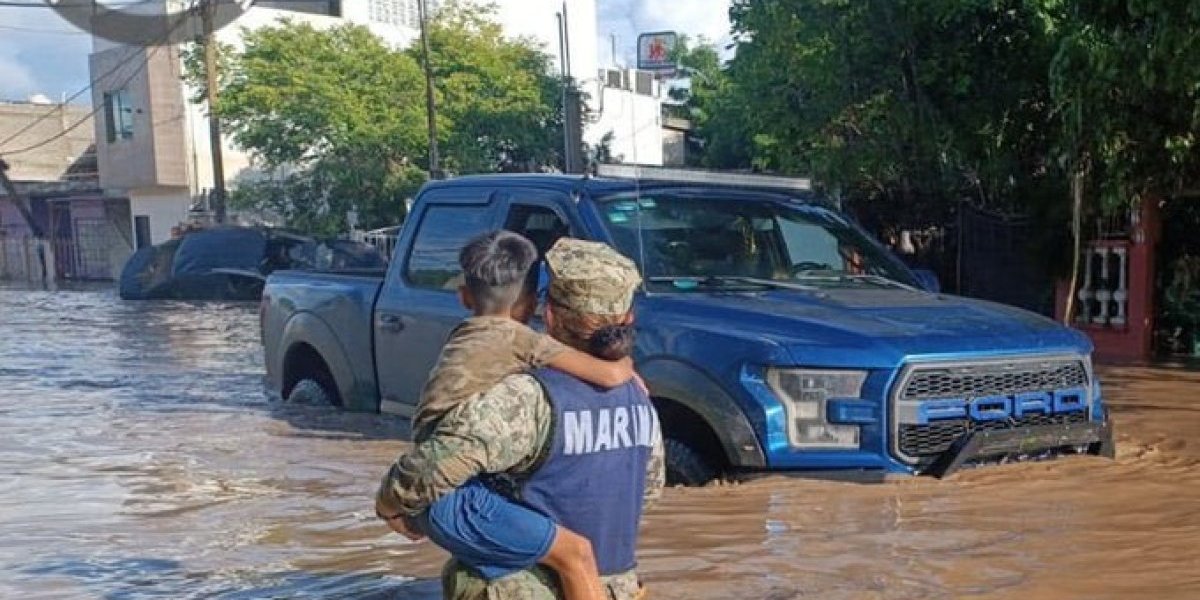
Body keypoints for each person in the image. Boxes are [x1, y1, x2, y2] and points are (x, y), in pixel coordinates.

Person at [377, 237, 665, 600]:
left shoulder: (525, 397)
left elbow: (431, 467)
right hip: (620, 587)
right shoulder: (640, 398)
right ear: (627, 319)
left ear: (549, 315)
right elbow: (647, 492)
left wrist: (389, 504)